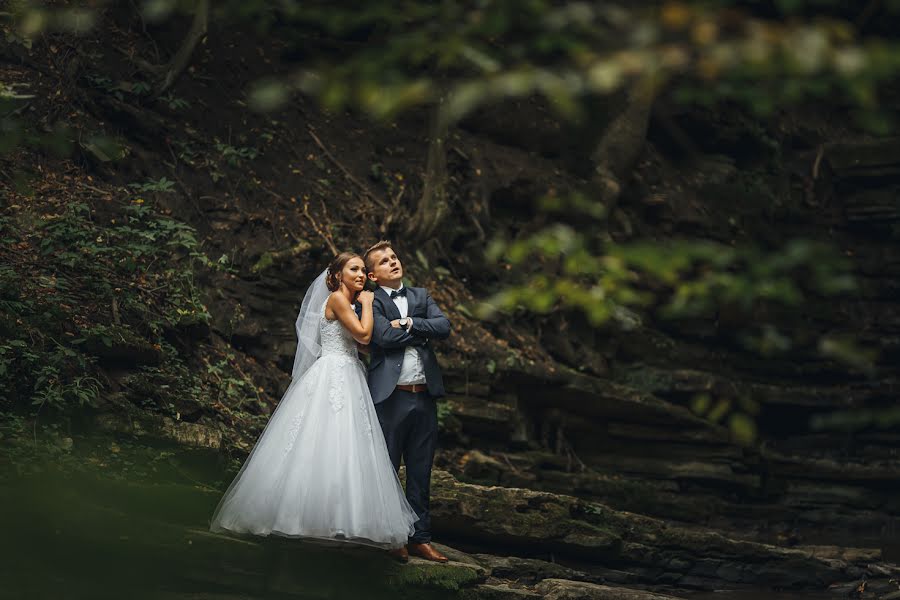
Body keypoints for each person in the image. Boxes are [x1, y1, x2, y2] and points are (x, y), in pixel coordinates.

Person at [209, 252, 418, 550]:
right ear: (337, 275)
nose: (361, 274)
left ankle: (339, 520)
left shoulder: (347, 302)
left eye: (362, 269)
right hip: (334, 372)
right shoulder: (336, 299)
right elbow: (363, 335)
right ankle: (301, 518)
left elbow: (362, 342)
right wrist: (369, 305)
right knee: (319, 440)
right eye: (354, 269)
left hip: (349, 372)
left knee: (345, 445)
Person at [362, 241, 451, 563]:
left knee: (420, 470)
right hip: (390, 398)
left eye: (394, 257)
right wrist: (422, 332)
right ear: (373, 275)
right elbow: (382, 337)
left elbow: (444, 327)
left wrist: (411, 323)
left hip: (424, 396)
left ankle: (420, 538)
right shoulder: (370, 300)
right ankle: (391, 536)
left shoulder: (421, 296)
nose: (393, 263)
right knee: (386, 469)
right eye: (384, 262)